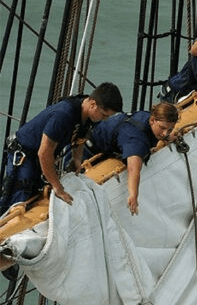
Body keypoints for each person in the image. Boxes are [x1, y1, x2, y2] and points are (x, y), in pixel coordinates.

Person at [0, 82, 122, 211]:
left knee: (36, 197)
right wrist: (57, 186)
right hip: (24, 157)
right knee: (17, 201)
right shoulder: (63, 115)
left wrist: (76, 159)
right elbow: (44, 153)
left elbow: (81, 136)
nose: (105, 119)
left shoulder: (88, 115)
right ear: (92, 104)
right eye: (104, 115)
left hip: (39, 160)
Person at [83, 102, 178, 215]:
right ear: (152, 120)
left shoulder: (147, 117)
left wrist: (168, 137)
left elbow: (161, 133)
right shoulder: (137, 140)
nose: (164, 133)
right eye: (162, 128)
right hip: (87, 151)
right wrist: (133, 195)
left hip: (103, 133)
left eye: (169, 130)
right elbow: (133, 170)